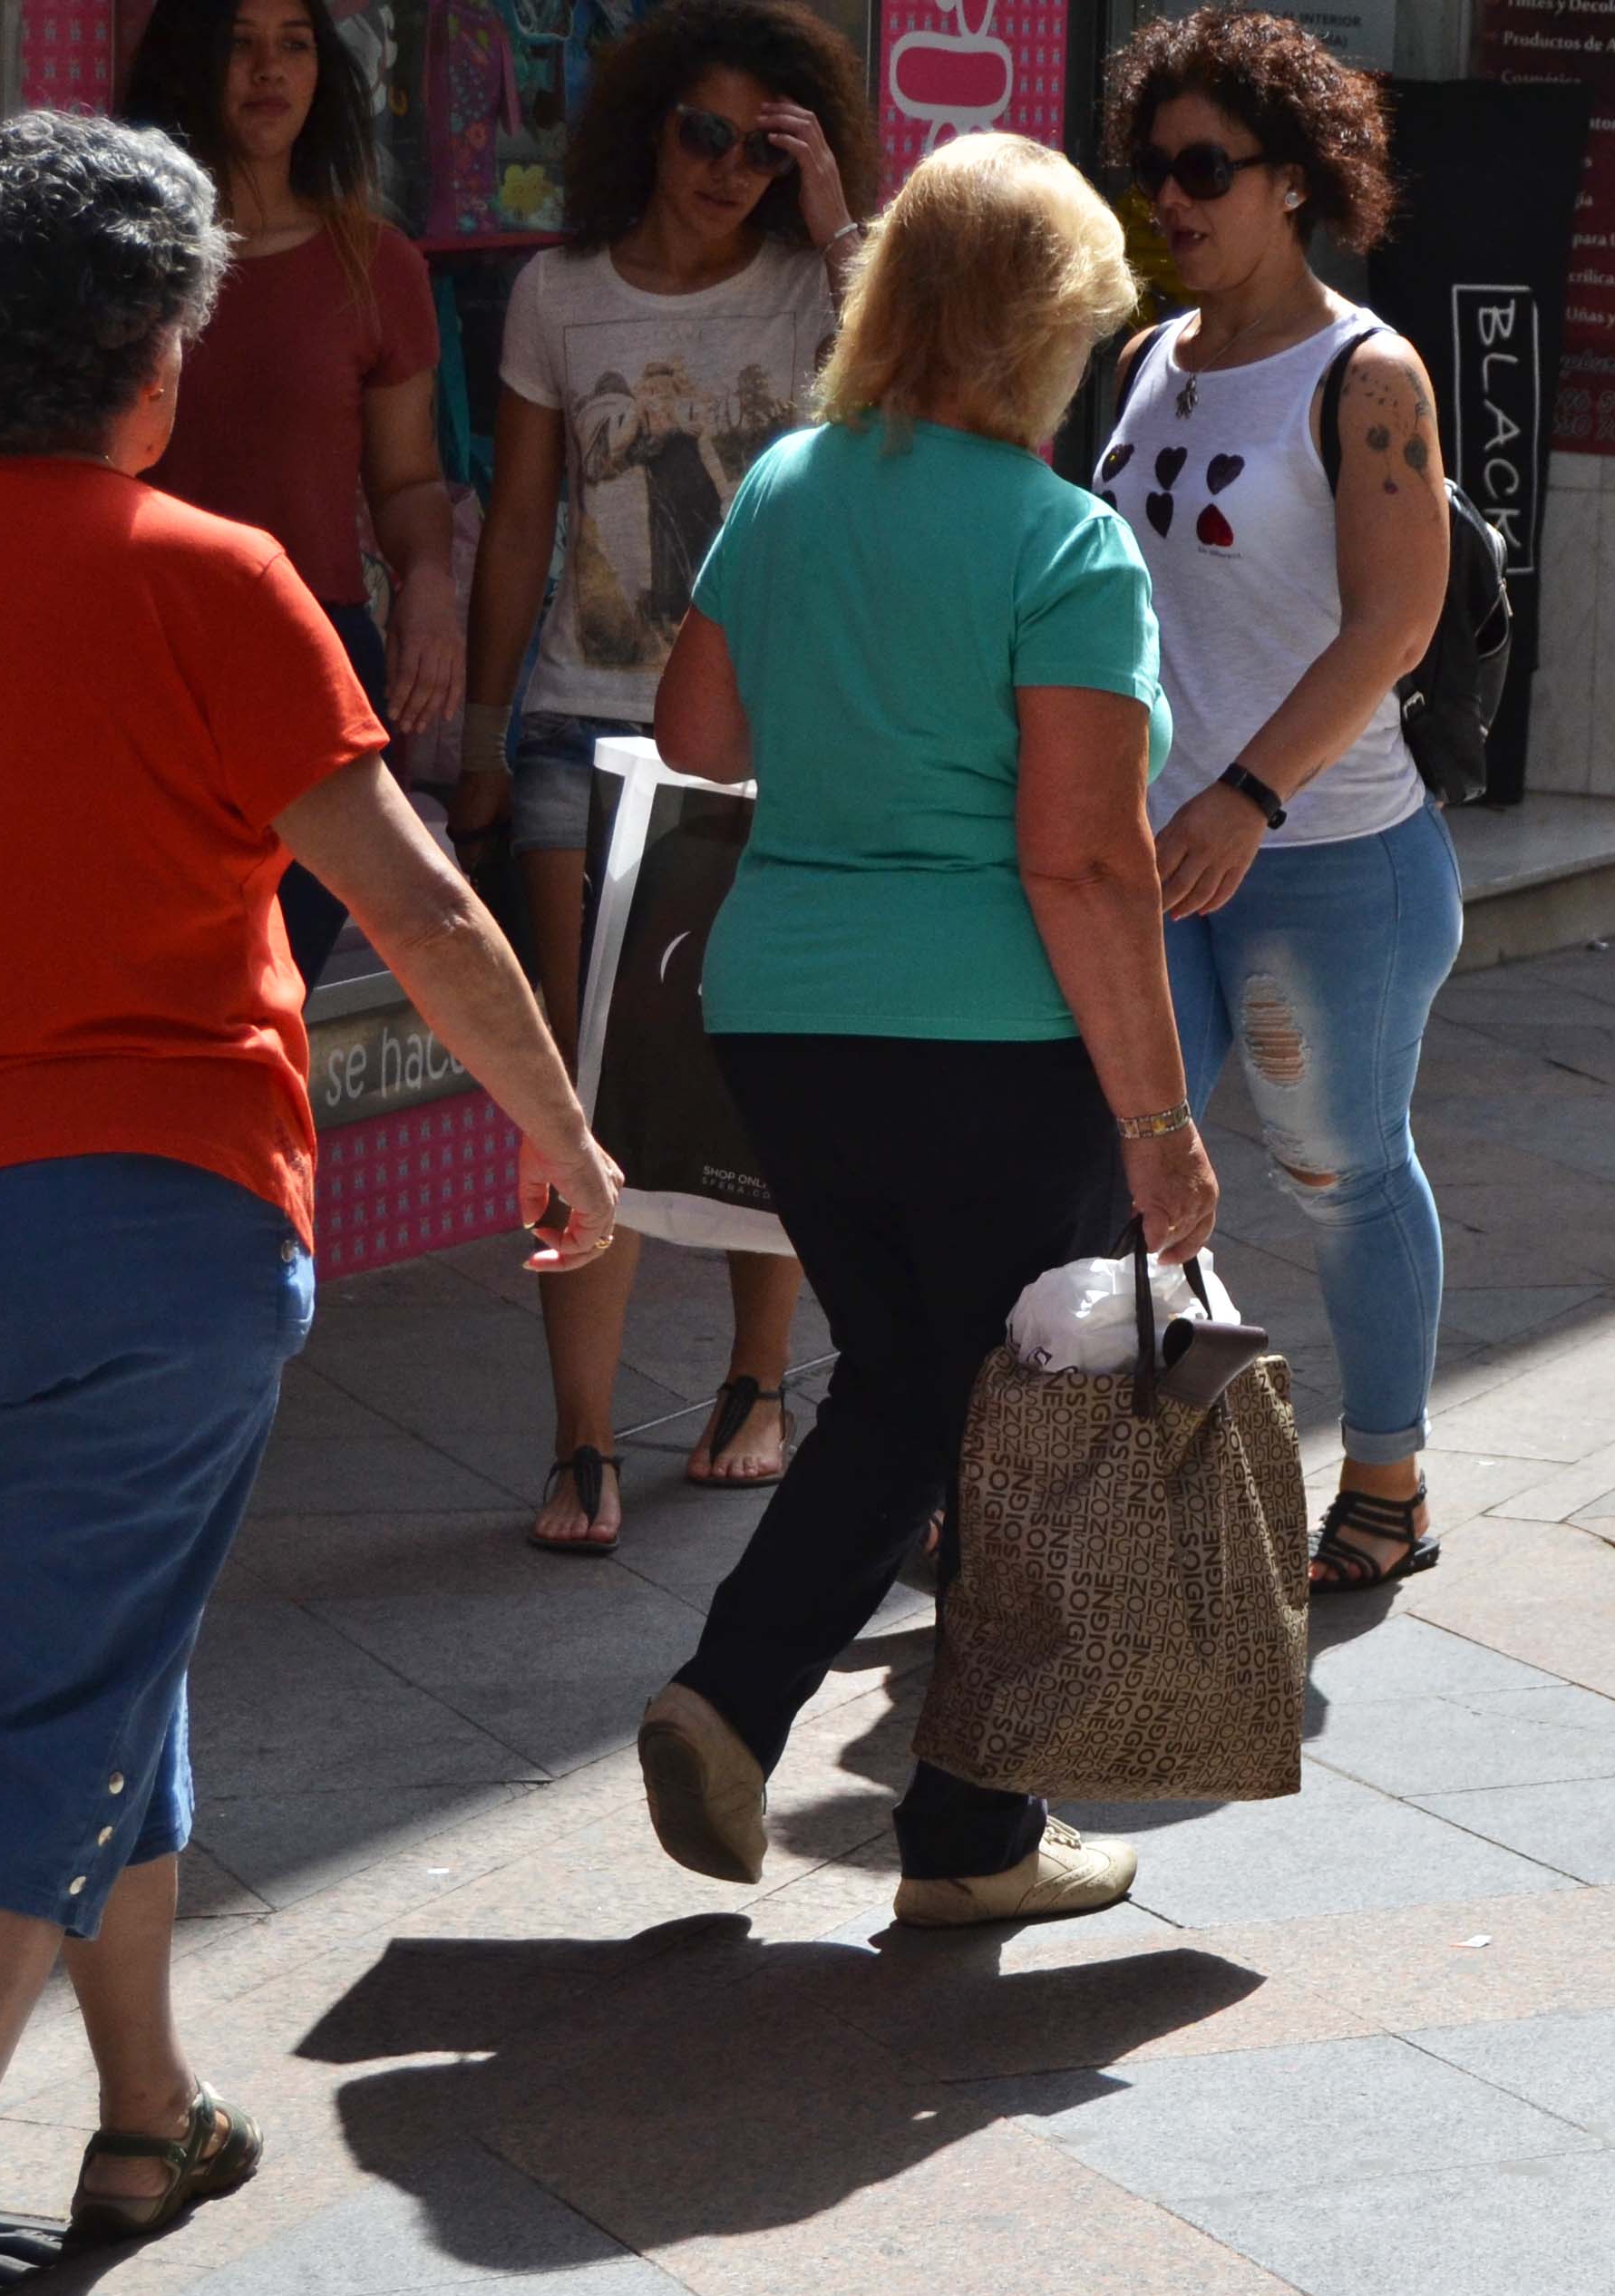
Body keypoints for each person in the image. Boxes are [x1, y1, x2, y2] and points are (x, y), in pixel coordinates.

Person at [0, 113, 619, 2296]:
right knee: (46, 1710)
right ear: (162, 348)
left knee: (90, 1650)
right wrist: (570, 1144)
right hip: (164, 1230)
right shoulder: (214, 579)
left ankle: (144, 2115)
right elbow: (417, 903)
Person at [628, 129, 1216, 1928]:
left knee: (908, 1381)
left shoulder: (792, 485)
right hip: (992, 1041)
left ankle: (739, 1706)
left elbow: (699, 736)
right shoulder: (1065, 547)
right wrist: (1162, 1126)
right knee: (1025, 1416)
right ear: (1045, 332)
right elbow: (1087, 868)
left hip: (789, 1015)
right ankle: (960, 1832)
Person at [452, 0, 863, 1550]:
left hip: (775, 735)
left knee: (772, 1069)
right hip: (580, 722)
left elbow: (928, 370)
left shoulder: (810, 288)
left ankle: (758, 1385)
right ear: (646, 126)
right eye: (704, 134)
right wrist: (479, 732)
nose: (726, 172)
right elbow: (516, 526)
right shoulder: (560, 296)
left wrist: (833, 217)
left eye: (765, 149)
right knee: (581, 1091)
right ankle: (578, 1443)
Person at [1095, 11, 1458, 1593]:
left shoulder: (1364, 371)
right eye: (1148, 168)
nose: (1168, 200)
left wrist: (1245, 793)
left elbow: (1394, 621)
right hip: (1143, 855)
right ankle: (1148, 1462)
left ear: (1296, 180)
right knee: (1120, 1159)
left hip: (1327, 860)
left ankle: (1384, 1477)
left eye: (1202, 169)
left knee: (1336, 1167)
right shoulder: (1139, 362)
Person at [119, 0, 455, 987]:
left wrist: (430, 578)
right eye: (239, 42)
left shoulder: (376, 264)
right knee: (155, 983)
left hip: (314, 664)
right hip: (146, 665)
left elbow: (406, 480)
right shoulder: (128, 265)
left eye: (295, 45)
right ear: (191, 62)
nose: (269, 70)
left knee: (278, 988)